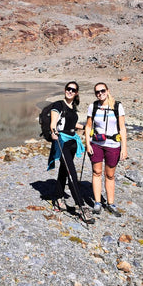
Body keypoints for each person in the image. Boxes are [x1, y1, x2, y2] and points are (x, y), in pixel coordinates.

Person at [85, 82, 127, 217]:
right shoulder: (93, 106)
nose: (100, 94)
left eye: (102, 91)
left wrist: (124, 148)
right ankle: (97, 203)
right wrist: (87, 143)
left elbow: (122, 128)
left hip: (113, 145)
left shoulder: (117, 106)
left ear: (108, 91)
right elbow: (88, 126)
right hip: (96, 144)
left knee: (110, 175)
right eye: (97, 92)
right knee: (96, 172)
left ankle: (110, 203)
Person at [47, 82, 87, 217]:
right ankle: (81, 206)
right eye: (68, 89)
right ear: (65, 90)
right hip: (62, 142)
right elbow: (53, 123)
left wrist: (85, 127)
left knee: (64, 171)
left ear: (76, 93)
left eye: (73, 90)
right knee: (71, 173)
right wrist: (53, 133)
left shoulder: (72, 107)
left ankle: (58, 199)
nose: (70, 91)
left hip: (72, 142)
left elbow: (71, 124)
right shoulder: (58, 104)